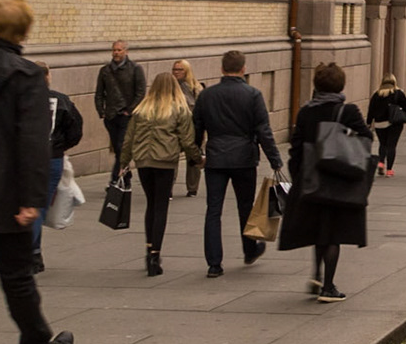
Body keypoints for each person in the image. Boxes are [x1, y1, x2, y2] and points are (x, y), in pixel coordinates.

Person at [0, 0, 73, 344]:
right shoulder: (25, 76)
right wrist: (31, 200)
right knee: (17, 278)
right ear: (24, 33)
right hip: (6, 198)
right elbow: (32, 143)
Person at [279, 63, 373, 303]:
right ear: (340, 85)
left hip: (310, 180)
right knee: (333, 235)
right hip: (338, 180)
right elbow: (366, 138)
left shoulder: (306, 111)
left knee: (318, 230)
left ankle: (317, 275)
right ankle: (328, 286)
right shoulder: (347, 111)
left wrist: (298, 176)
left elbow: (296, 148)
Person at [193, 50, 285, 277]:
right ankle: (249, 249)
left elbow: (196, 128)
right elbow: (263, 130)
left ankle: (214, 263)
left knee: (213, 210)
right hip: (244, 158)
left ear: (222, 69)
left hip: (215, 157)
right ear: (243, 69)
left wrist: (197, 155)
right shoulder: (253, 94)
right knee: (245, 206)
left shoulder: (207, 95)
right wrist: (275, 159)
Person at [119, 72, 201, 277]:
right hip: (165, 162)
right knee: (161, 207)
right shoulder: (179, 109)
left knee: (151, 204)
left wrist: (124, 162)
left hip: (143, 161)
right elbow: (187, 139)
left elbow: (128, 138)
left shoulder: (141, 109)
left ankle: (149, 249)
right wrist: (197, 158)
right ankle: (155, 254)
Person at [32, 64, 81, 273]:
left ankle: (33, 253)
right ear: (48, 76)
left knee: (31, 206)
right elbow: (75, 130)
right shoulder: (61, 99)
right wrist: (60, 147)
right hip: (52, 158)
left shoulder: (21, 99)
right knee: (38, 207)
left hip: (26, 158)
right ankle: (31, 253)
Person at [95, 39, 146, 183]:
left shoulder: (135, 69)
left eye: (119, 50)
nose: (116, 53)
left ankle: (116, 179)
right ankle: (125, 174)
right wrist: (101, 111)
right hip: (110, 116)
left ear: (126, 51)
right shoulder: (105, 70)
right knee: (118, 149)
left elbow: (140, 93)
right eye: (114, 50)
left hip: (126, 115)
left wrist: (130, 111)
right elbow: (99, 92)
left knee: (121, 146)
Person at [173, 59, 204, 197]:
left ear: (187, 71)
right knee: (171, 158)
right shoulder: (170, 86)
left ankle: (192, 188)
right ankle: (168, 188)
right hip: (174, 126)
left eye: (180, 70)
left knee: (193, 157)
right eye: (174, 69)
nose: (176, 72)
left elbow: (201, 107)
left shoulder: (196, 87)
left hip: (192, 127)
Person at [367, 76, 406, 178]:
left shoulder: (377, 94)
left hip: (379, 124)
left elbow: (371, 110)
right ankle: (389, 170)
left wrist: (369, 122)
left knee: (383, 144)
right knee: (391, 145)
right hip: (394, 123)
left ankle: (381, 162)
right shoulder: (398, 93)